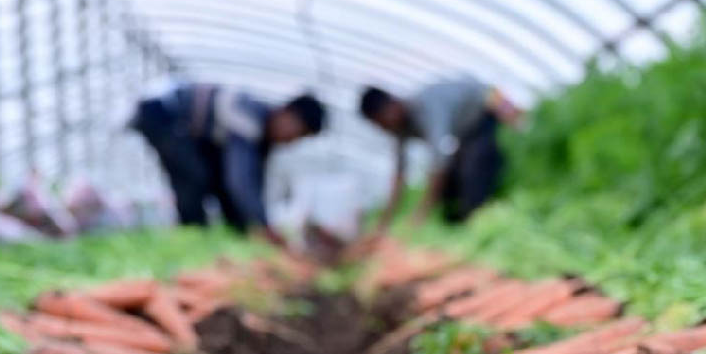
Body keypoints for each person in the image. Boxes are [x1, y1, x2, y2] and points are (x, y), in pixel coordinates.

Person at [128, 82, 326, 248]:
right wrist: (261, 227)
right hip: (162, 114)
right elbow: (240, 180)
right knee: (192, 178)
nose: (292, 140)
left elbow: (252, 184)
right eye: (297, 132)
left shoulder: (261, 136)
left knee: (210, 180)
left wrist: (259, 223)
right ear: (287, 114)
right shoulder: (249, 117)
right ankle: (192, 244)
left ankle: (225, 243)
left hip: (187, 129)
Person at [359, 77, 523, 229]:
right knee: (449, 187)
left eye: (381, 122)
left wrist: (422, 211)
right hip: (465, 133)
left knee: (474, 170)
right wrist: (385, 221)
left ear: (391, 106)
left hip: (486, 114)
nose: (383, 129)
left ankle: (481, 226)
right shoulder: (399, 129)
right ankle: (457, 228)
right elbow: (400, 173)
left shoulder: (426, 107)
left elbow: (439, 162)